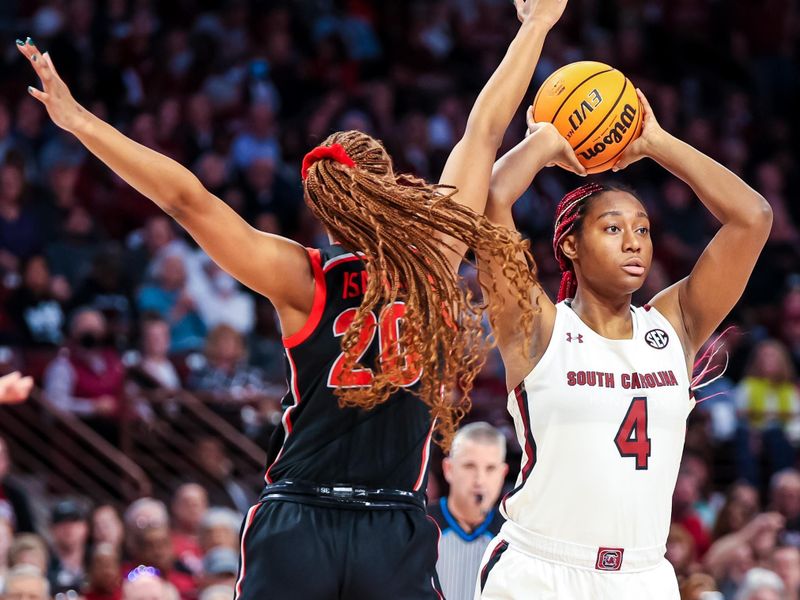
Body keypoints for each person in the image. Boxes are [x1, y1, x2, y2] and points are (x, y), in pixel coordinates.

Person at [15, 0, 563, 595]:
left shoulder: (304, 278)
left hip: (299, 519)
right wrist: (535, 25)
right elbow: (482, 129)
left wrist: (80, 123)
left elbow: (185, 199)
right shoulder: (435, 254)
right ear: (392, 186)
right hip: (391, 523)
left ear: (321, 207)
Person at [475, 85, 772, 599]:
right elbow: (494, 197)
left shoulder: (672, 326)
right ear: (570, 244)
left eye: (643, 228)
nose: (634, 241)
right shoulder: (540, 328)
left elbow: (753, 218)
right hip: (540, 569)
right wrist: (546, 143)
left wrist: (656, 142)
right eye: (612, 228)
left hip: (643, 575)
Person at [428, 422, 508, 600]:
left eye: (490, 468)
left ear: (503, 474)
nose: (480, 480)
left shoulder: (513, 537)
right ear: (449, 469)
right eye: (469, 466)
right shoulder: (420, 526)